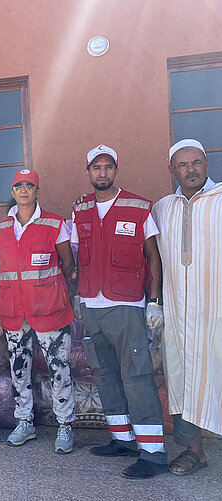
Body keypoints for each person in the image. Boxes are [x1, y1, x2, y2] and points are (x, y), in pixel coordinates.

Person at [71, 145, 167, 479]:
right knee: (105, 374)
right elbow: (73, 253)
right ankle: (123, 438)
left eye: (107, 167)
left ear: (116, 170)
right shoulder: (80, 209)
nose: (102, 173)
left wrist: (154, 300)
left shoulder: (139, 207)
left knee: (137, 375)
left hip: (127, 305)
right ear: (88, 172)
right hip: (92, 305)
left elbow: (153, 256)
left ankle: (153, 452)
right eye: (96, 168)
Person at [0, 169, 76, 453]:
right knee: (19, 370)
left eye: (30, 186)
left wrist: (49, 290)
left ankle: (65, 426)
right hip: (14, 311)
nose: (24, 190)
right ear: (13, 191)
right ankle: (24, 421)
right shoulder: (1, 229)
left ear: (37, 191)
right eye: (19, 186)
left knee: (59, 368)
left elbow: (68, 264)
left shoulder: (55, 224)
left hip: (49, 309)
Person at [152, 139, 222, 476]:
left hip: (216, 313)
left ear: (206, 165)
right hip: (178, 316)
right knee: (181, 379)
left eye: (196, 162)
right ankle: (195, 451)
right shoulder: (162, 208)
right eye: (182, 164)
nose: (190, 169)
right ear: (172, 170)